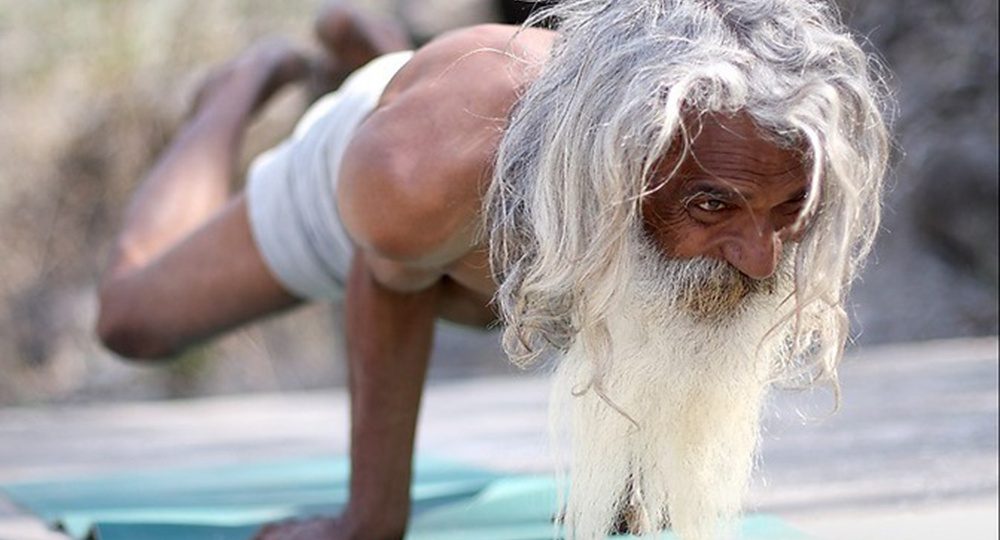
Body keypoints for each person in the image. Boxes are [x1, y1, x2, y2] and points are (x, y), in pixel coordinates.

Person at [95, 0, 890, 539]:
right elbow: (389, 280)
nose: (763, 257)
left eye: (788, 208)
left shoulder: (736, 157)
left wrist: (632, 496)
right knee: (130, 323)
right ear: (623, 159)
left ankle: (379, 48)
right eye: (717, 206)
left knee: (529, 250)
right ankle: (237, 91)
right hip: (387, 201)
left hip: (498, 258)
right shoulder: (417, 180)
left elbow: (667, 351)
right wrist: (370, 521)